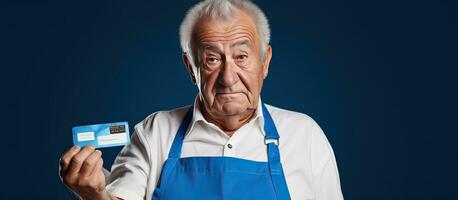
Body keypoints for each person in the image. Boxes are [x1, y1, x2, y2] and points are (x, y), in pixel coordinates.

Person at [59, 0, 344, 199]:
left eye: (241, 57)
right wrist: (95, 194)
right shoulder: (155, 133)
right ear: (190, 67)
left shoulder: (305, 136)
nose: (228, 77)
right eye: (211, 60)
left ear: (265, 61)